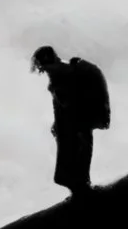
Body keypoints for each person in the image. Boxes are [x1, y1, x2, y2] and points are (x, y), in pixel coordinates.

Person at [30, 46, 110, 197]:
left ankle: (83, 189)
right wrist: (57, 122)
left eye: (46, 67)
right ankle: (80, 190)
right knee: (69, 163)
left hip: (78, 123)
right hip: (69, 125)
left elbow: (75, 102)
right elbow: (62, 106)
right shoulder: (58, 76)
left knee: (78, 156)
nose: (45, 71)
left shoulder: (72, 72)